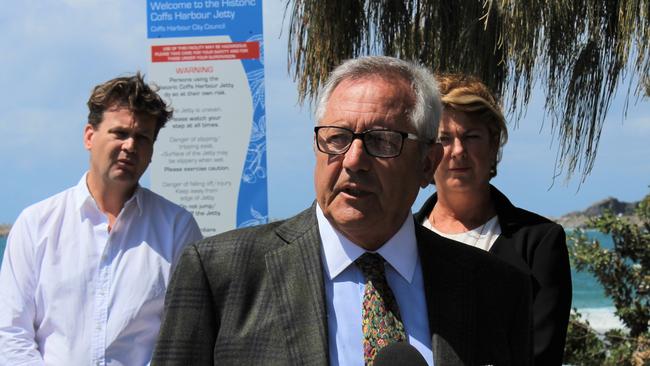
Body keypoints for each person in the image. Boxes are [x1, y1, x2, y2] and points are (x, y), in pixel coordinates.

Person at [152, 56, 532, 366]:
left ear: (427, 164)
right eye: (337, 138)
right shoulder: (220, 274)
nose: (353, 160)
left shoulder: (495, 288)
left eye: (382, 141)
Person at [0, 73, 203, 365]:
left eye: (142, 137)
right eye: (120, 133)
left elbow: (187, 336)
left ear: (152, 151)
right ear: (89, 136)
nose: (130, 146)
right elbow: (11, 333)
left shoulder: (177, 228)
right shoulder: (36, 224)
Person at [414, 74, 572, 365]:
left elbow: (542, 356)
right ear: (427, 152)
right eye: (444, 139)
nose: (458, 151)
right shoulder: (402, 238)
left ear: (493, 143)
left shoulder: (538, 242)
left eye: (471, 136)